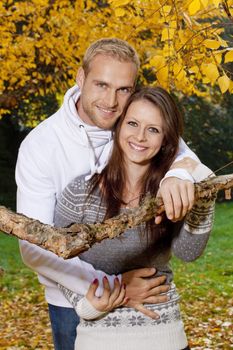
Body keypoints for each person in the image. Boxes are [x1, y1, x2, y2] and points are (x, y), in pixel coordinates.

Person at [16, 38, 202, 350]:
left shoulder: (132, 124)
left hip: (147, 296)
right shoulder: (41, 145)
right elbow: (34, 246)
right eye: (101, 84)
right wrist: (114, 288)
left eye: (123, 89)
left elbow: (186, 158)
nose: (111, 100)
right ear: (80, 78)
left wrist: (179, 174)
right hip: (70, 299)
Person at [54, 86, 216, 350]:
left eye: (153, 129)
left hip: (164, 336)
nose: (140, 137)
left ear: (165, 139)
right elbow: (57, 261)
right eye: (132, 123)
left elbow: (188, 252)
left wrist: (202, 193)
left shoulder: (170, 190)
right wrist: (87, 306)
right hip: (98, 341)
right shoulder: (79, 192)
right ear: (118, 127)